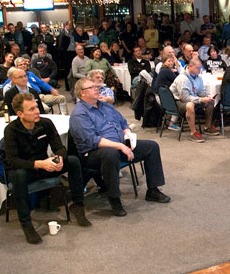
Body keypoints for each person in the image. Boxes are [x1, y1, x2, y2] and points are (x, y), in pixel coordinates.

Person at [70, 78, 170, 217]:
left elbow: (122, 122)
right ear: (82, 93)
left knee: (151, 147)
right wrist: (120, 146)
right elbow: (92, 140)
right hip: (93, 153)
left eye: (96, 86)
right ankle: (114, 199)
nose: (96, 88)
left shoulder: (105, 106)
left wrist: (127, 133)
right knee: (110, 154)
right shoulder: (79, 114)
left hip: (119, 145)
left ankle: (153, 190)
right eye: (91, 87)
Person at [4, 92, 91, 244]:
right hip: (27, 170)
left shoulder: (45, 123)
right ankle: (26, 222)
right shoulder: (11, 130)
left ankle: (78, 205)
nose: (37, 111)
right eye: (31, 109)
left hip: (45, 166)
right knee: (18, 175)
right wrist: (40, 164)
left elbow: (59, 147)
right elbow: (12, 161)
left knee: (74, 161)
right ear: (20, 113)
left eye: (36, 107)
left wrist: (59, 160)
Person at [169, 58, 220, 141]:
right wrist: (201, 100)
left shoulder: (198, 77)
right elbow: (185, 98)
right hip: (177, 102)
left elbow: (201, 90)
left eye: (200, 68)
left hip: (191, 98)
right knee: (190, 105)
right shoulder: (182, 78)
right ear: (190, 66)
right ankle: (193, 133)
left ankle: (207, 127)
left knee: (210, 102)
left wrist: (208, 96)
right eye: (197, 68)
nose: (199, 70)